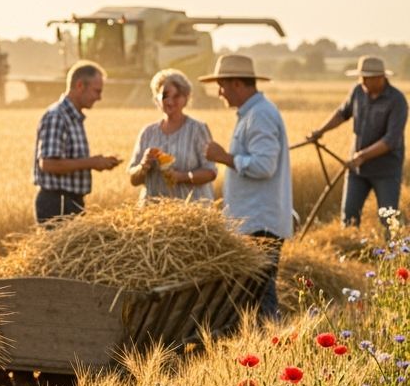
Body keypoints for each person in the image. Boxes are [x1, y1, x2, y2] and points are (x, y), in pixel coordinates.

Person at [201, 54, 292, 320]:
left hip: (259, 223)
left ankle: (273, 340)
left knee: (260, 293)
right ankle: (269, 339)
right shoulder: (254, 113)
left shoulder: (260, 115)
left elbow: (264, 166)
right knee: (254, 293)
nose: (219, 92)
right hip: (254, 220)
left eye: (221, 86)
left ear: (237, 84)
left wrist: (224, 158)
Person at [305, 54, 407, 229]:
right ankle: (350, 244)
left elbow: (391, 140)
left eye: (366, 78)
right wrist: (320, 131)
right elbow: (342, 114)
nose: (362, 81)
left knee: (389, 220)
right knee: (349, 218)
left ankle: (392, 246)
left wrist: (363, 156)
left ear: (380, 78)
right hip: (357, 170)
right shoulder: (358, 91)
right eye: (361, 77)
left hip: (386, 171)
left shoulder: (397, 101)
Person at [33, 61, 121, 222]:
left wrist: (98, 162)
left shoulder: (72, 118)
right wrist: (92, 162)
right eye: (96, 91)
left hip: (70, 202)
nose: (99, 97)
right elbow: (48, 164)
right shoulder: (57, 116)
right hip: (57, 203)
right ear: (80, 85)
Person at [127, 69, 217, 204]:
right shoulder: (148, 132)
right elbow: (133, 179)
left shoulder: (198, 129)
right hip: (153, 212)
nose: (170, 101)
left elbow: (210, 172)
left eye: (176, 96)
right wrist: (143, 165)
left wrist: (182, 177)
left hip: (191, 211)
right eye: (165, 96)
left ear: (186, 99)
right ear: (156, 98)